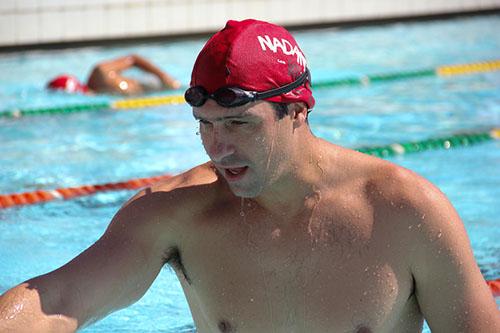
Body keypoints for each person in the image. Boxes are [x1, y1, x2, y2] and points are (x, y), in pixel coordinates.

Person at [1, 19, 499, 333]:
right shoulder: (176, 214)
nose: (219, 147)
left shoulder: (404, 211)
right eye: (206, 127)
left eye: (239, 124)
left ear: (297, 110)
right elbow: (57, 301)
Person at [47, 54, 181, 95]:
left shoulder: (100, 72)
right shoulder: (100, 94)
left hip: (158, 86)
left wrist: (165, 78)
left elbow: (133, 59)